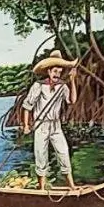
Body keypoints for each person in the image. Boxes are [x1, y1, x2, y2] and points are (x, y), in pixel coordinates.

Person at [22, 49, 78, 191]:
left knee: (64, 153)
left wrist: (72, 81)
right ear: (48, 71)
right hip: (41, 125)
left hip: (56, 125)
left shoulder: (62, 86)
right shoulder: (38, 86)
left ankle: (71, 186)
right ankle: (41, 189)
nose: (57, 75)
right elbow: (27, 106)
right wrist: (26, 126)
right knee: (41, 155)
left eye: (59, 72)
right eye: (54, 71)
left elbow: (72, 100)